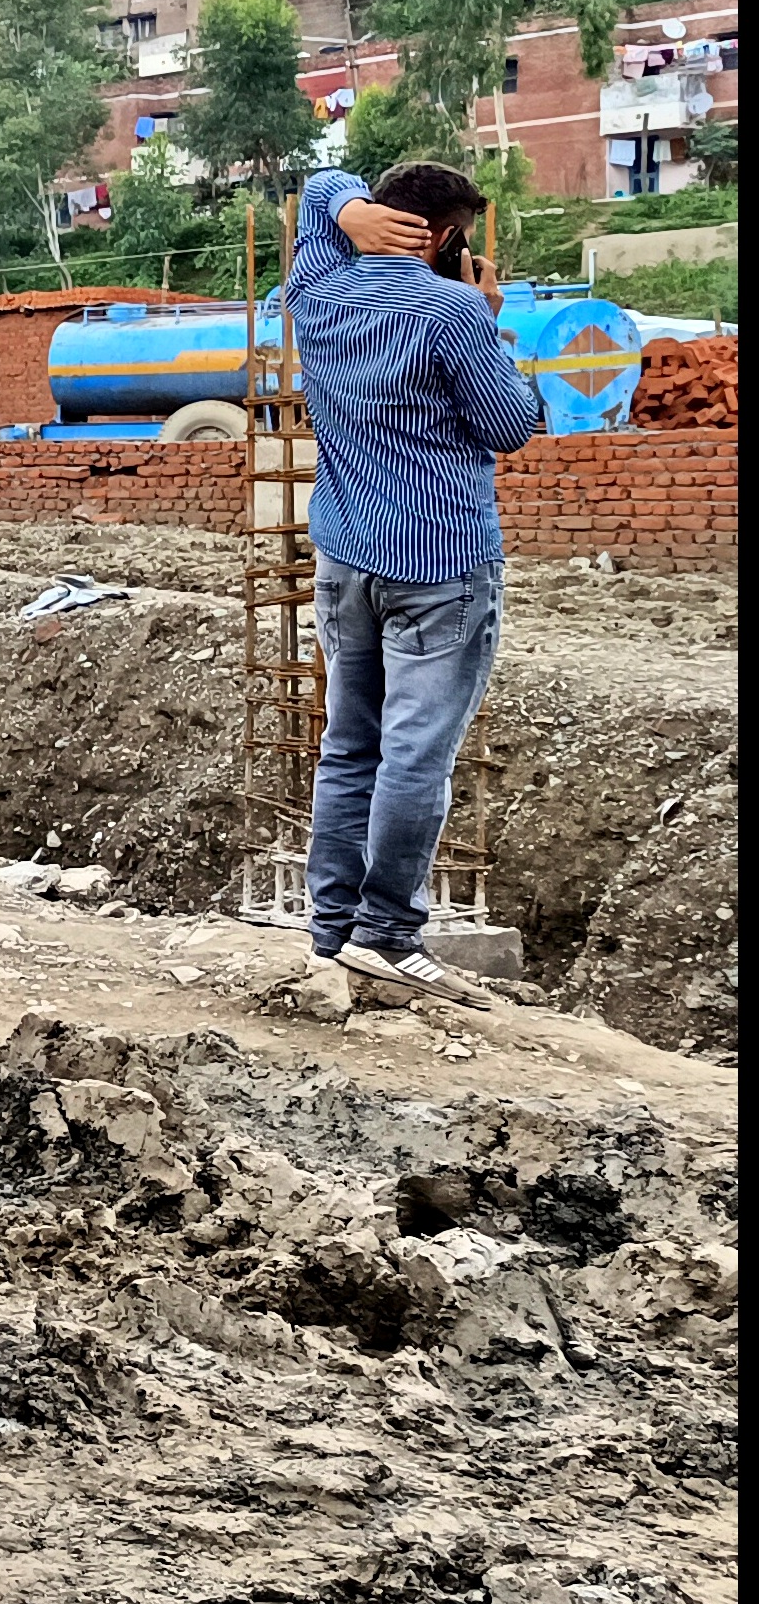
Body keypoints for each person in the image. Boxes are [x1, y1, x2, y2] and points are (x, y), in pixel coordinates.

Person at [284, 159, 543, 1012]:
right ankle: (386, 935)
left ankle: (333, 931)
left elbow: (322, 181)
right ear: (444, 238)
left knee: (349, 746)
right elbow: (509, 428)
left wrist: (348, 208)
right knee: (414, 758)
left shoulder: (316, 289)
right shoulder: (455, 310)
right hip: (442, 567)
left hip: (345, 557)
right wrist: (491, 328)